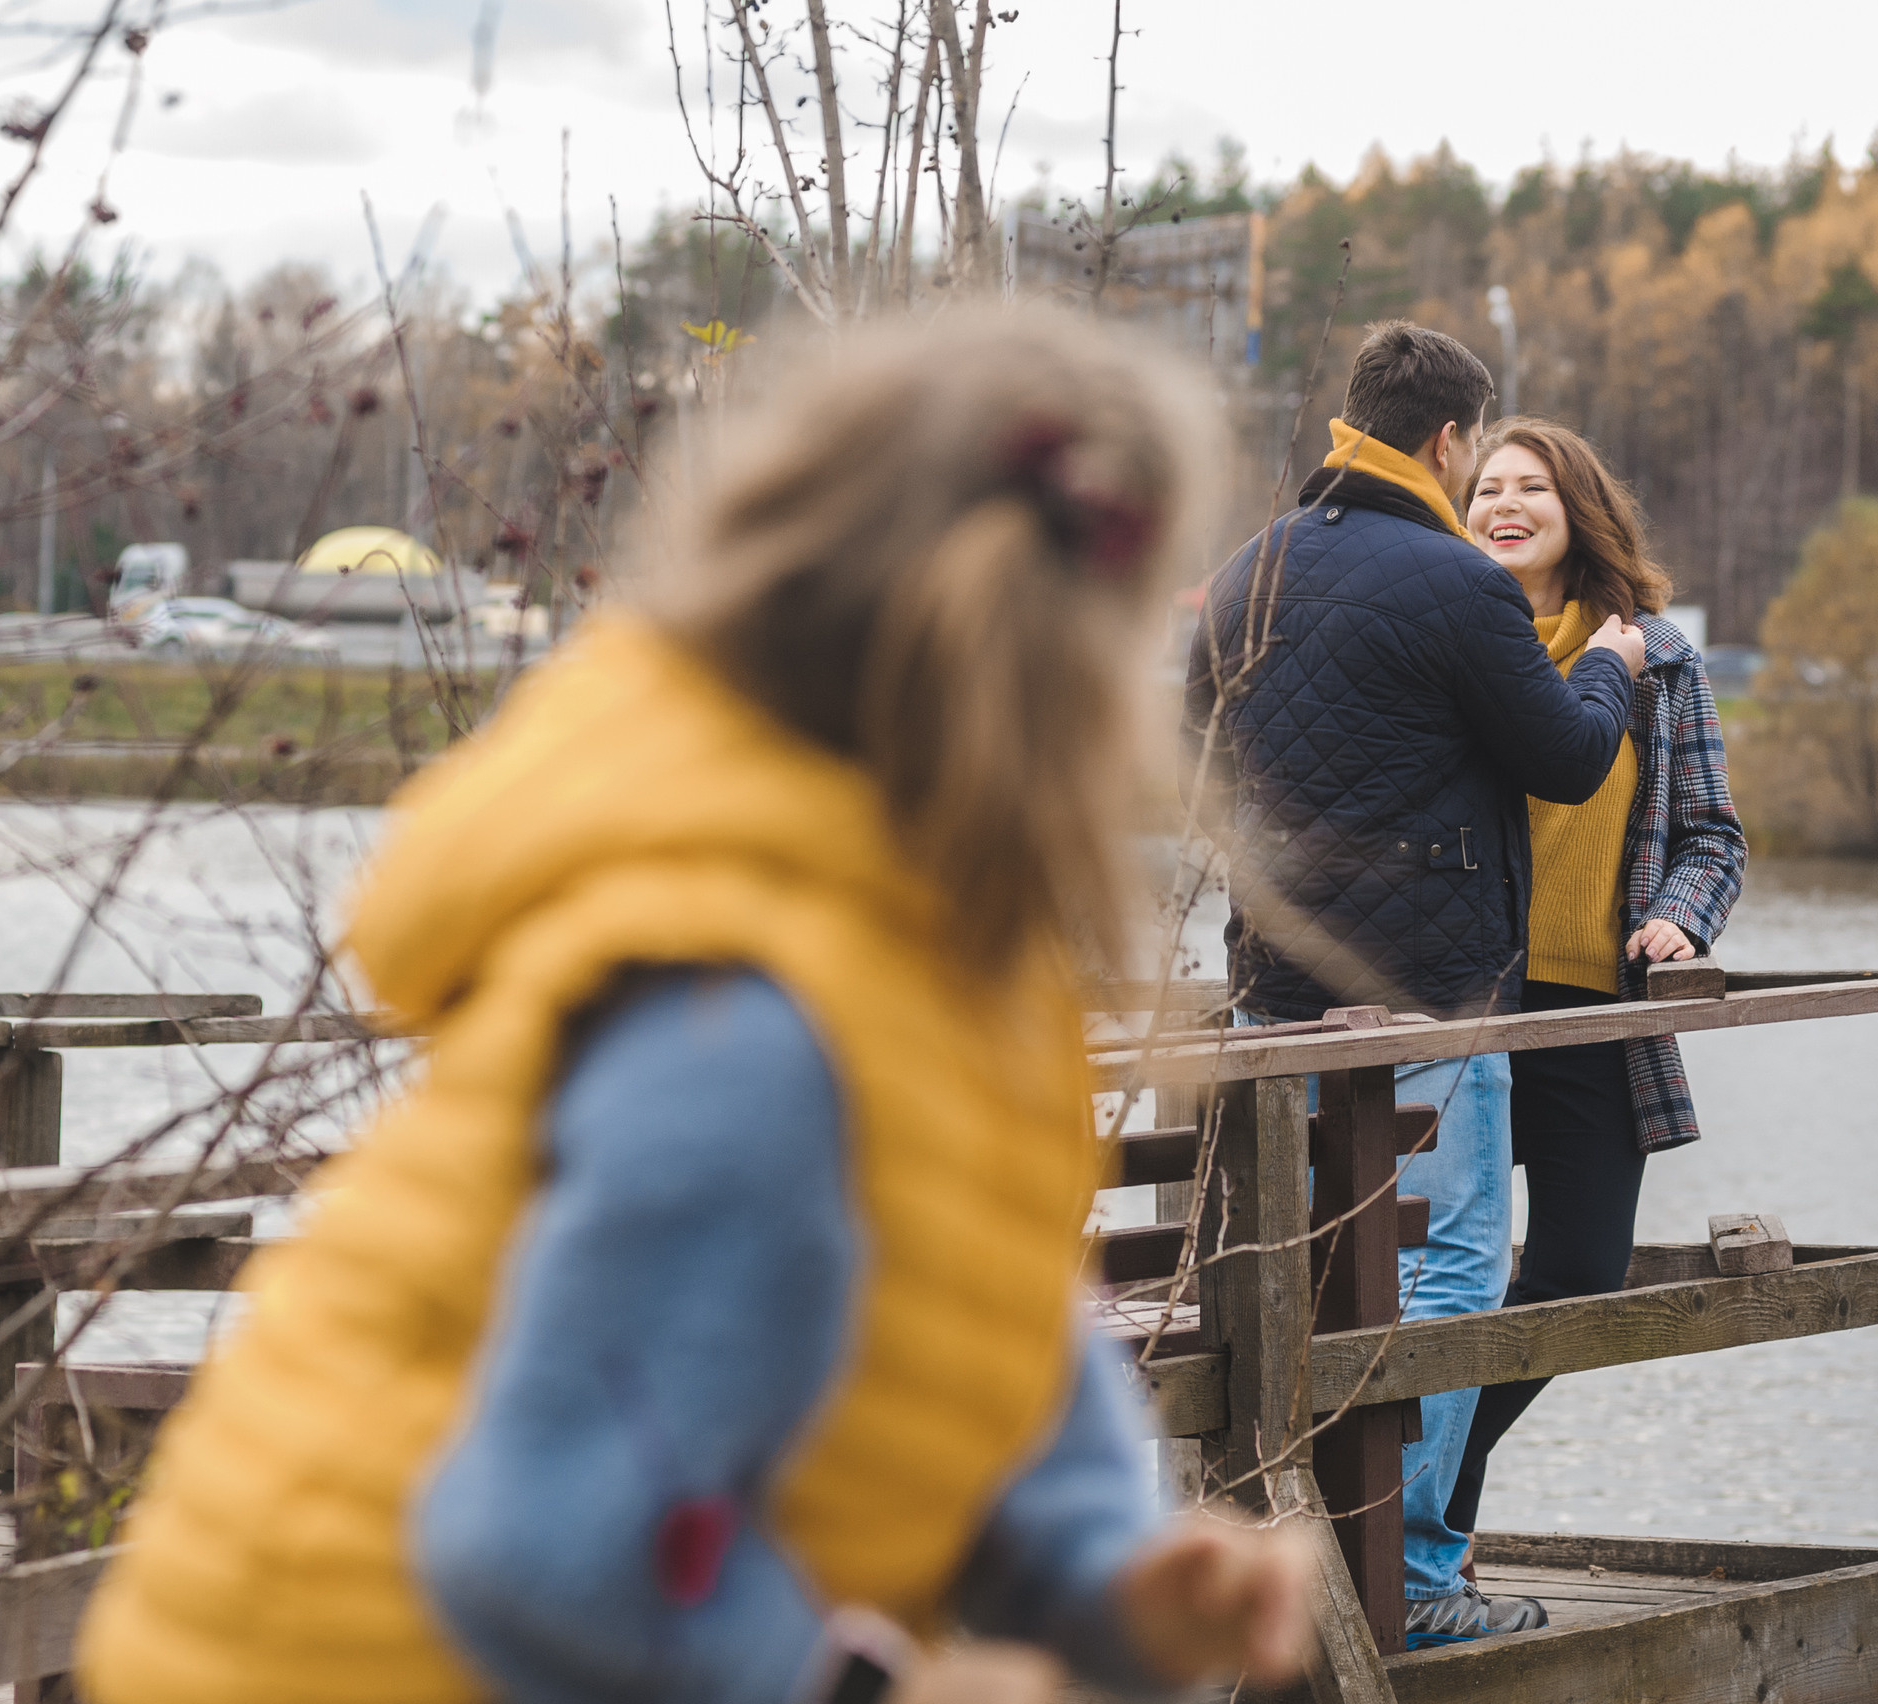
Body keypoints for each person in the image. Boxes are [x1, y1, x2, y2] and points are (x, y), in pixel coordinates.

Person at [77, 310, 1312, 1704]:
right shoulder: (749, 1014)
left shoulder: (943, 965)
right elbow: (552, 1540)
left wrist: (1105, 1574)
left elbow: (970, 1321)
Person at [1184, 322, 1645, 1648]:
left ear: (1354, 418)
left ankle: (1293, 1564)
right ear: (1449, 441)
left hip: (1277, 993)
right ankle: (1414, 1586)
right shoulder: (1459, 584)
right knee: (1447, 1271)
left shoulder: (1248, 571)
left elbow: (1184, 756)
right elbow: (1562, 759)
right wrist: (1608, 670)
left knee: (1306, 1270)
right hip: (1433, 995)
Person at [1440, 415, 1746, 1550]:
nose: (1502, 506)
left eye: (1530, 488)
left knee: (1576, 1274)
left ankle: (1417, 1493)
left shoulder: (1655, 659)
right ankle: (1424, 1559)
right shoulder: (1446, 645)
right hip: (1458, 1012)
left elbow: (1713, 834)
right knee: (1440, 1292)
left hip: (1591, 1015)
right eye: (1484, 490)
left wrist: (1679, 914)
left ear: (1578, 512)